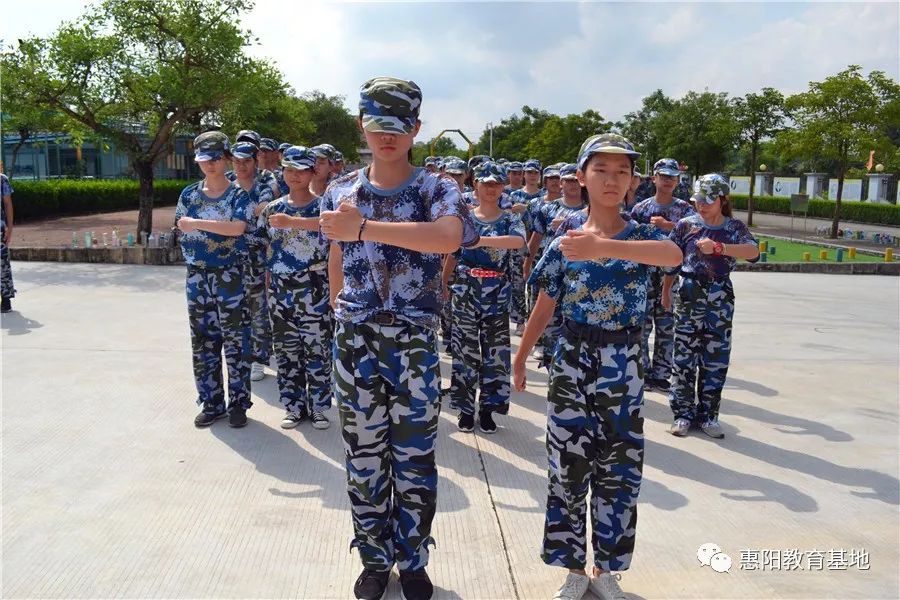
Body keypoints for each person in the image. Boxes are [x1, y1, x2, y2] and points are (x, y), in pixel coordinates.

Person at [319, 76, 478, 600]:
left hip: (412, 340)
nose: (387, 136)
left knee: (415, 457)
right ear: (361, 126)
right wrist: (339, 307)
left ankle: (412, 560)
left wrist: (365, 228)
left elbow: (448, 237)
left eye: (399, 125)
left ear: (416, 129)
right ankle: (373, 559)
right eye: (377, 124)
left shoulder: (436, 189)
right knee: (363, 456)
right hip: (356, 339)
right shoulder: (341, 190)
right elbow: (335, 254)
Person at [513, 133, 682, 600]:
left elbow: (673, 257)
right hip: (572, 360)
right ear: (582, 177)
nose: (612, 180)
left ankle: (607, 569)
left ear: (632, 181)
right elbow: (545, 303)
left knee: (619, 470)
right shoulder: (565, 241)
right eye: (601, 170)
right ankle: (571, 568)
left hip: (623, 363)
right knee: (566, 467)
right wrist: (521, 357)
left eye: (622, 172)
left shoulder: (644, 235)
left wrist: (605, 248)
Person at [663, 173, 759, 439]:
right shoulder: (686, 225)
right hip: (689, 292)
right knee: (684, 357)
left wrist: (719, 248)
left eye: (708, 200)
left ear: (722, 199)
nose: (701, 205)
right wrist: (666, 291)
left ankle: (709, 416)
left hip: (719, 296)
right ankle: (682, 414)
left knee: (715, 359)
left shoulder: (734, 228)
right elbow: (672, 260)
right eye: (698, 200)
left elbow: (753, 252)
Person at [175, 131, 254, 429]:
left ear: (226, 159)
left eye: (216, 158)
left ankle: (238, 404)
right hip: (197, 275)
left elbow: (237, 228)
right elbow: (181, 227)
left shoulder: (238, 195)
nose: (210, 164)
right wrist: (209, 227)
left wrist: (197, 223)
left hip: (229, 275)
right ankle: (211, 403)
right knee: (203, 342)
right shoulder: (189, 194)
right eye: (204, 159)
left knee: (236, 341)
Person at [443, 161, 525, 433]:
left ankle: (489, 409)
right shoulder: (464, 217)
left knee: (495, 354)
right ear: (475, 185)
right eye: (486, 183)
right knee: (464, 351)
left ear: (502, 187)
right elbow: (453, 253)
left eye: (496, 184)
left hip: (496, 294)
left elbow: (518, 241)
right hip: (465, 291)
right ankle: (466, 409)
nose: (491, 189)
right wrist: (443, 282)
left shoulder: (510, 219)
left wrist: (479, 241)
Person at [259, 146, 333, 430]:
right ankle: (293, 407)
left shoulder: (323, 207)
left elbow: (330, 231)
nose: (294, 175)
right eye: (289, 169)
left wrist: (293, 222)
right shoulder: (273, 209)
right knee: (286, 351)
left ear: (313, 172)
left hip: (314, 288)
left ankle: (319, 408)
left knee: (317, 350)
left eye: (301, 170)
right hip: (280, 290)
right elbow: (263, 247)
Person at [629, 158, 697, 392]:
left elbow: (694, 238)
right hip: (644, 274)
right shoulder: (641, 209)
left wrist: (668, 226)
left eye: (672, 177)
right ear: (654, 178)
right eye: (664, 176)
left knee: (667, 325)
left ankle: (661, 374)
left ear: (678, 181)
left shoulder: (686, 210)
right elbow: (630, 240)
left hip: (672, 275)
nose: (668, 181)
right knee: (642, 325)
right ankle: (643, 372)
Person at [231, 140, 276, 382]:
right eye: (237, 161)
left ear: (255, 161)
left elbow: (265, 210)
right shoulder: (227, 187)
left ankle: (259, 359)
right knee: (235, 311)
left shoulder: (263, 188)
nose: (241, 166)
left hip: (257, 258)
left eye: (246, 161)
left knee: (258, 309)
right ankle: (241, 356)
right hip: (229, 259)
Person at [1, 166, 15, 313]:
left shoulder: (2, 180)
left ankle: (5, 301)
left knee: (2, 265)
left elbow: (8, 204)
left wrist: (10, 228)